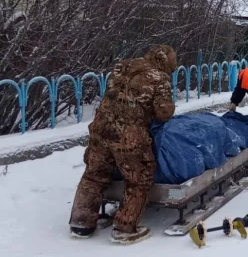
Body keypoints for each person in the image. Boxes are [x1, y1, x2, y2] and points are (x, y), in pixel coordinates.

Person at [69, 44, 178, 244]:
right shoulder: (160, 78)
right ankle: (126, 228)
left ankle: (81, 222)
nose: (175, 67)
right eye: (173, 62)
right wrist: (168, 107)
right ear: (165, 61)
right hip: (128, 135)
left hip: (101, 128)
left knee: (94, 175)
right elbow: (163, 113)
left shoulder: (123, 66)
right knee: (139, 178)